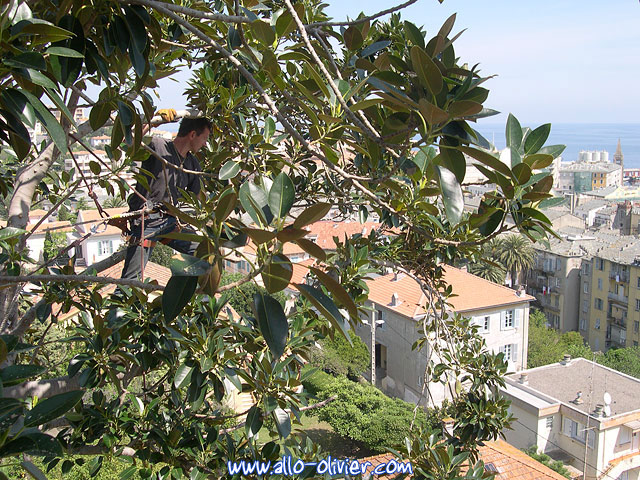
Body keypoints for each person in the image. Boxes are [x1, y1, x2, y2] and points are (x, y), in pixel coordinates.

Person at [120, 112, 212, 280]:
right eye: (204, 138)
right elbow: (127, 142)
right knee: (130, 281)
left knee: (204, 253)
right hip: (145, 222)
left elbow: (199, 199)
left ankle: (181, 290)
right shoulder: (157, 146)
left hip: (170, 224)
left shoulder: (192, 164)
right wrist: (153, 121)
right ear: (192, 135)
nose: (205, 144)